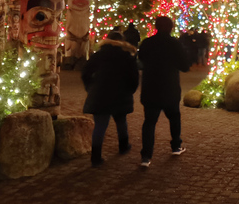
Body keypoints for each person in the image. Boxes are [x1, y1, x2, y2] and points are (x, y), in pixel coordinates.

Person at [138, 15, 191, 167]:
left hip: (151, 88)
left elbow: (141, 59)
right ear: (171, 28)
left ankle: (146, 156)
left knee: (149, 122)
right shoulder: (175, 44)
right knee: (174, 117)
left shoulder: (147, 43)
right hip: (169, 87)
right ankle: (176, 146)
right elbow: (185, 66)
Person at [81, 30, 139, 167]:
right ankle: (123, 146)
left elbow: (85, 73)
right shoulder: (127, 57)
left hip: (100, 94)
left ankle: (96, 156)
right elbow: (134, 78)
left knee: (100, 126)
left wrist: (90, 87)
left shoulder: (99, 55)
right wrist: (129, 91)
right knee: (121, 121)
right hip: (120, 94)